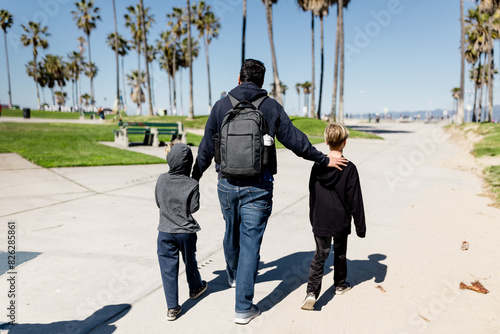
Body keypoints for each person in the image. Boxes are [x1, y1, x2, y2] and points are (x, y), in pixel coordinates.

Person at [192, 59, 348, 325]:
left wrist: (193, 178)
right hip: (259, 186)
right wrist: (323, 159)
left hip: (226, 184)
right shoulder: (270, 106)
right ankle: (243, 308)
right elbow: (296, 140)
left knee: (231, 231)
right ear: (261, 83)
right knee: (251, 243)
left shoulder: (220, 106)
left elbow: (207, 147)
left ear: (239, 78)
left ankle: (233, 275)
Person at [301, 123, 366, 311]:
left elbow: (312, 193)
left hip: (321, 218)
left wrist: (313, 218)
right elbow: (356, 200)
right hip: (340, 220)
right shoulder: (350, 168)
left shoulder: (318, 166)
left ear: (326, 141)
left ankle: (311, 293)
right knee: (340, 252)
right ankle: (339, 284)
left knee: (320, 255)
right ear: (345, 142)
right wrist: (360, 227)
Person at [156, 141, 207, 321]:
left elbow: (158, 203)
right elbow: (194, 208)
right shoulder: (192, 183)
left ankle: (172, 307)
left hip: (165, 231)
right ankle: (195, 288)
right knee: (190, 261)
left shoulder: (161, 179)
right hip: (186, 232)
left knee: (168, 270)